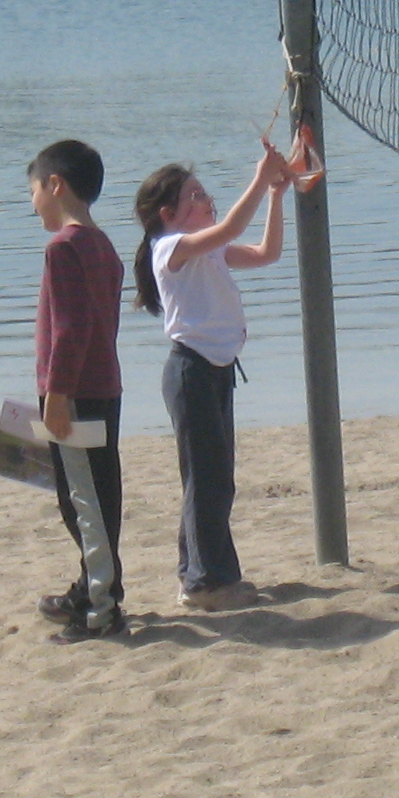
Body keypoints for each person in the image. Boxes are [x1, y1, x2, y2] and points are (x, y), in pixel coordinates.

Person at [131, 141, 291, 611]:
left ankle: (202, 575)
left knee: (216, 479)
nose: (206, 199)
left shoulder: (210, 249)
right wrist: (261, 178)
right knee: (207, 482)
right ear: (168, 214)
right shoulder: (170, 248)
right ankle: (204, 582)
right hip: (191, 371)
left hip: (217, 371)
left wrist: (277, 194)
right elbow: (232, 227)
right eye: (195, 196)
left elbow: (267, 252)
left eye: (203, 192)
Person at [29, 139, 126, 641]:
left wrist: (56, 395)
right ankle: (92, 585)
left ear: (55, 185)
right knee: (96, 496)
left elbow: (70, 330)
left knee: (84, 502)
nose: (33, 204)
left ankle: (101, 608)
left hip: (76, 393)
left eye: (33, 191)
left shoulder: (64, 248)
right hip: (104, 386)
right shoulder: (103, 245)